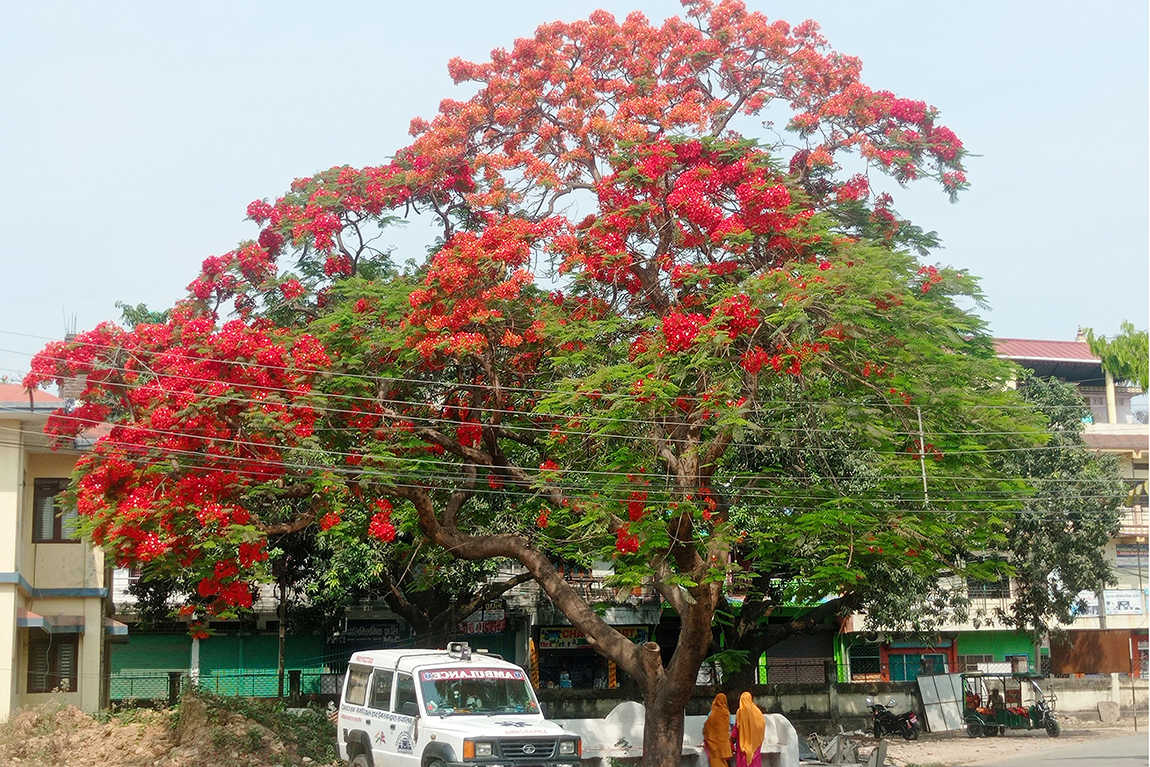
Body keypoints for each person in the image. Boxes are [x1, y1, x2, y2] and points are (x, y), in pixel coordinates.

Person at [731, 692, 765, 767]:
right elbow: (762, 725)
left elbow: (736, 729)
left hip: (743, 744)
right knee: (755, 762)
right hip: (755, 745)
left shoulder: (740, 712)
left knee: (743, 763)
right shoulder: (758, 712)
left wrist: (731, 740)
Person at [702, 693, 733, 767]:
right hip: (724, 743)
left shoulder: (712, 713)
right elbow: (732, 725)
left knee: (716, 761)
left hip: (713, 744)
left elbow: (707, 728)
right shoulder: (726, 713)